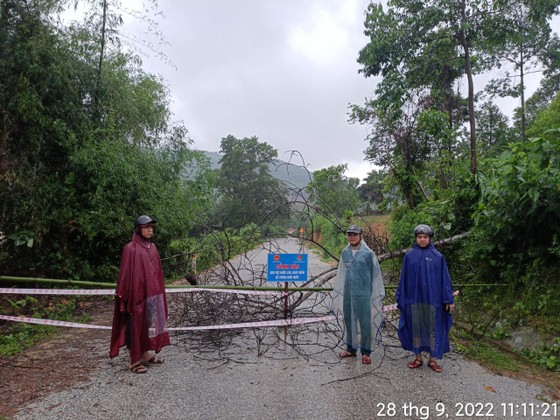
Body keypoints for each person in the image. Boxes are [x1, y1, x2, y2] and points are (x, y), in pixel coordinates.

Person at [110, 215, 171, 374]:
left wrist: (158, 292)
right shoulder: (130, 248)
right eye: (146, 227)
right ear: (138, 229)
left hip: (152, 294)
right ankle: (134, 361)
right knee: (135, 326)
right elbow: (124, 274)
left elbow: (157, 273)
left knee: (148, 324)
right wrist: (124, 296)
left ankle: (144, 354)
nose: (150, 230)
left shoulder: (153, 248)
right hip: (135, 297)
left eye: (151, 227)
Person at [396, 224, 455, 373]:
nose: (422, 239)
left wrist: (448, 299)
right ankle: (418, 357)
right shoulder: (409, 257)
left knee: (432, 329)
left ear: (430, 238)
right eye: (419, 237)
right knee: (416, 328)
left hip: (433, 301)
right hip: (414, 299)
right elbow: (403, 279)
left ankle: (432, 359)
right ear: (416, 238)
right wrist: (400, 298)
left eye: (425, 237)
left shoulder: (438, 257)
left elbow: (445, 280)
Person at [332, 225, 385, 365]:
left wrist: (373, 293)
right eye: (350, 234)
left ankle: (366, 352)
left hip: (363, 294)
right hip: (349, 293)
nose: (352, 237)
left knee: (365, 322)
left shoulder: (368, 253)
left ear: (360, 236)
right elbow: (342, 272)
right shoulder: (345, 252)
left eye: (355, 234)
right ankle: (351, 348)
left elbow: (375, 274)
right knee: (349, 320)